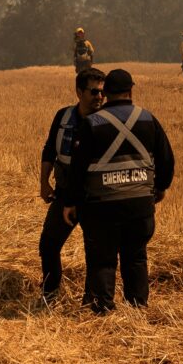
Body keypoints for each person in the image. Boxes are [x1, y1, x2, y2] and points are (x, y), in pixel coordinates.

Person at [61, 69, 174, 314]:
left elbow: (78, 169)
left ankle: (102, 311)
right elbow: (166, 159)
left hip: (102, 207)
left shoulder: (92, 123)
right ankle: (138, 310)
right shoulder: (147, 118)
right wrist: (161, 188)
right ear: (131, 91)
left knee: (102, 261)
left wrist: (70, 202)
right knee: (136, 258)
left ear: (106, 94)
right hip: (140, 206)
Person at [38, 67, 105, 301]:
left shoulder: (106, 121)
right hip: (65, 193)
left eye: (102, 93)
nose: (99, 97)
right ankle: (50, 294)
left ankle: (92, 300)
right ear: (79, 92)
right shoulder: (63, 116)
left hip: (95, 196)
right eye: (94, 92)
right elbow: (49, 149)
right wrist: (44, 183)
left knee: (95, 252)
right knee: (48, 244)